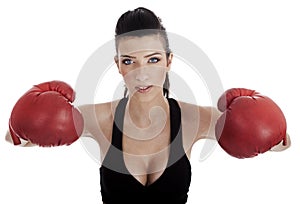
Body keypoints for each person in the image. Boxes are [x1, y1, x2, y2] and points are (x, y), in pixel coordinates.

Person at [6, 7, 291, 204]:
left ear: (168, 61)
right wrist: (24, 125)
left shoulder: (195, 119)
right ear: (118, 66)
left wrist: (271, 133)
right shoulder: (96, 118)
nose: (141, 73)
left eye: (153, 59)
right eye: (129, 61)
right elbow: (18, 139)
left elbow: (279, 143)